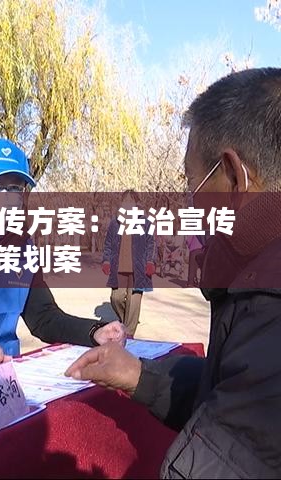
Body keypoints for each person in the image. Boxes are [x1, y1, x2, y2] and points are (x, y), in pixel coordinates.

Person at [66, 68, 281, 477]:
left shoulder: (269, 312)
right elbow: (228, 389)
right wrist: (138, 375)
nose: (188, 200)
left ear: (234, 177)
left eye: (191, 181)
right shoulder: (253, 283)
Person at [0, 138, 124, 373]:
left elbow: (43, 317)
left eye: (15, 188)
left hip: (7, 377)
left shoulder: (23, 244)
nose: (4, 197)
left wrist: (94, 331)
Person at [101, 191, 156, 336]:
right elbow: (108, 244)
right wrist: (106, 260)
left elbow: (151, 244)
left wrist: (150, 261)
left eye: (131, 201)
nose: (128, 204)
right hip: (119, 268)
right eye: (126, 201)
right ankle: (125, 322)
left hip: (139, 269)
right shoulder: (115, 223)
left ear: (136, 204)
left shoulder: (145, 223)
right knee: (116, 298)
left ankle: (129, 333)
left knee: (134, 301)